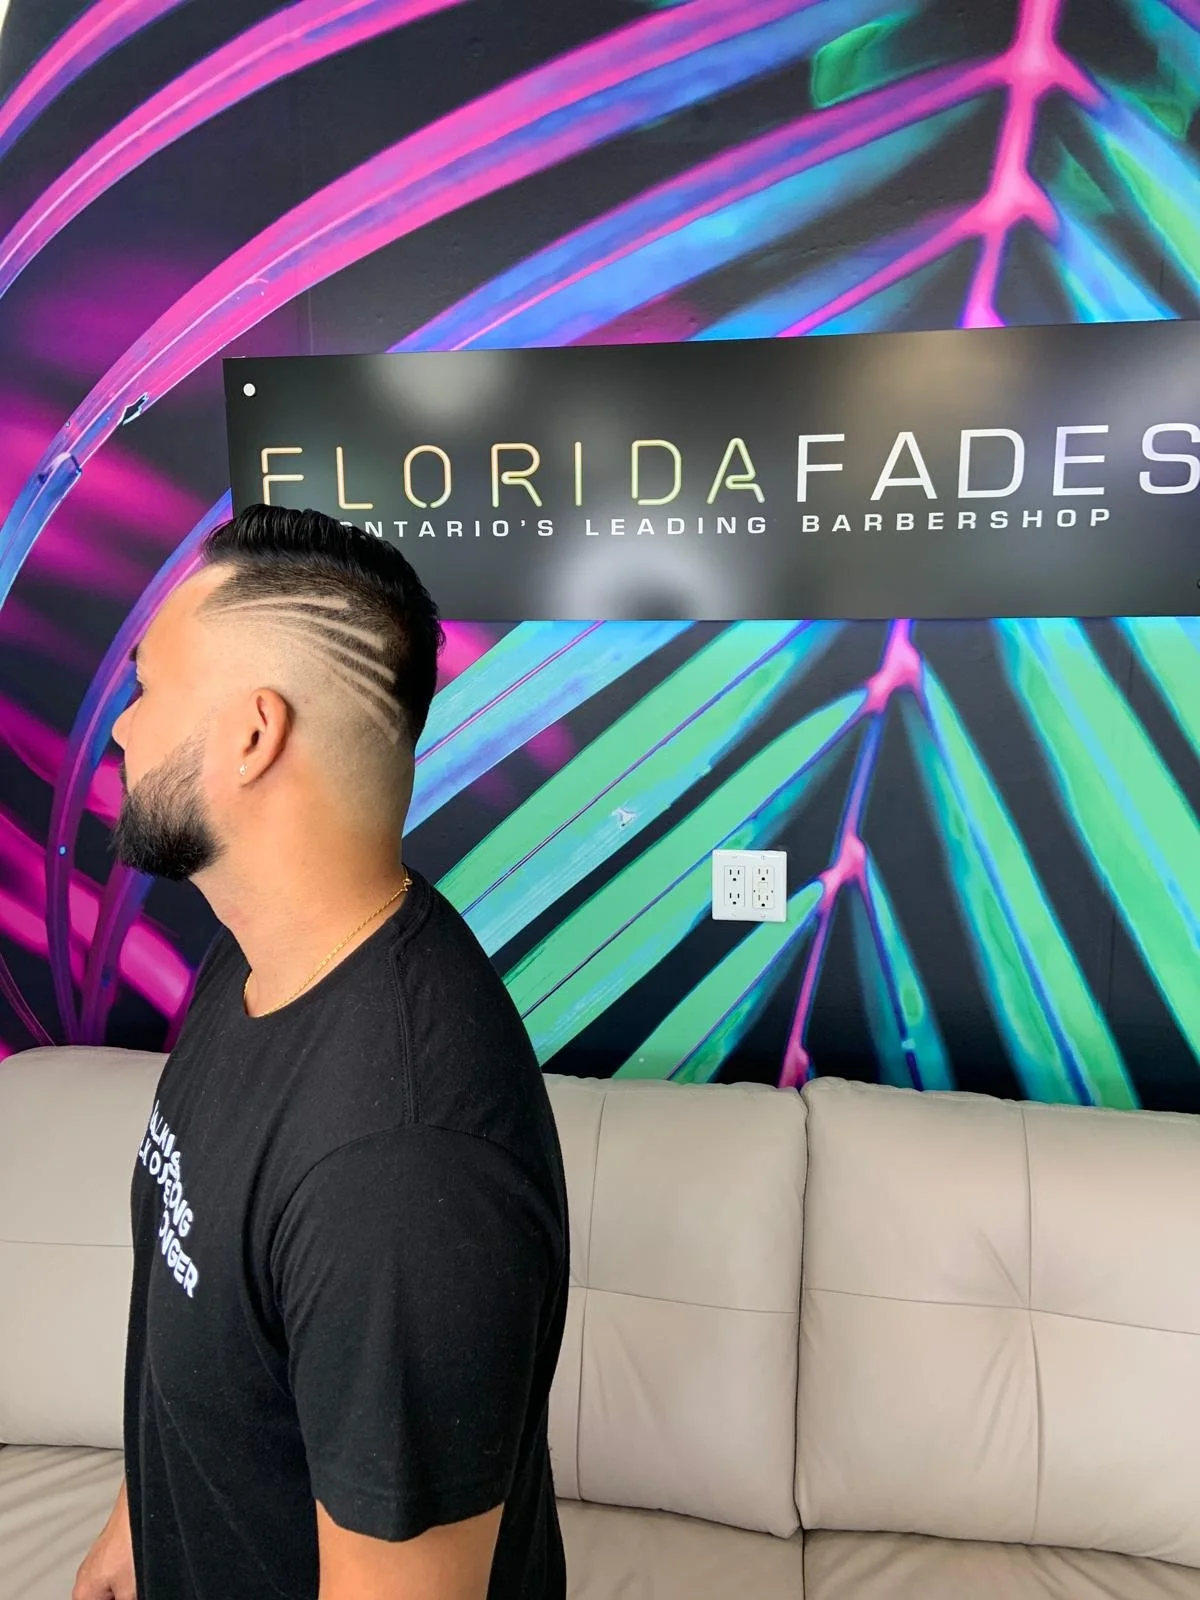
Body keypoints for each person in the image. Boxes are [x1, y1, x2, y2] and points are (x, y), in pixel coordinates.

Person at [72, 505, 569, 1600]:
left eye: (148, 690)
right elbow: (206, 1302)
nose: (119, 730)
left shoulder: (402, 1164)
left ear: (254, 735)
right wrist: (138, 1519)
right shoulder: (256, 955)